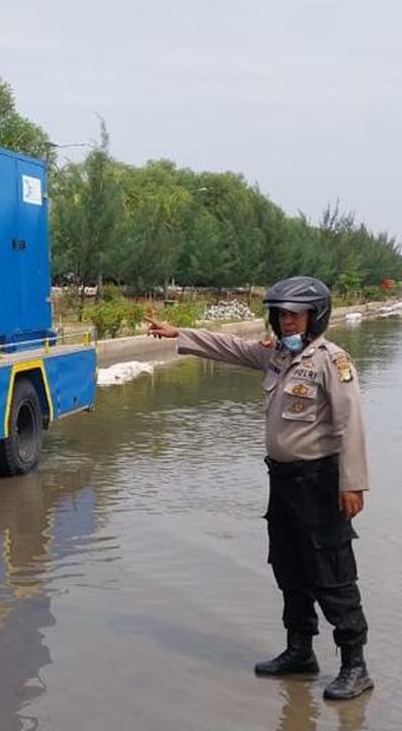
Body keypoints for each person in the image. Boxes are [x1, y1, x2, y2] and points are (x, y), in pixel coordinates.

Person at [146, 276, 373, 701]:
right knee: (289, 567)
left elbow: (351, 424)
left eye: (294, 314)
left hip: (320, 483)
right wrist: (182, 334)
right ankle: (300, 650)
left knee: (331, 573)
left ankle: (354, 665)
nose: (285, 322)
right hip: (283, 482)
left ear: (314, 316)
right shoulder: (279, 359)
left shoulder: (331, 361)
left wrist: (353, 484)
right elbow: (230, 349)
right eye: (280, 314)